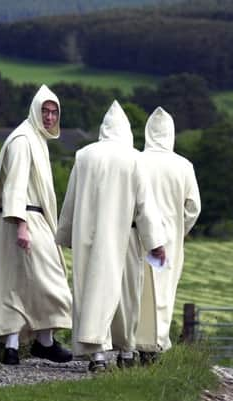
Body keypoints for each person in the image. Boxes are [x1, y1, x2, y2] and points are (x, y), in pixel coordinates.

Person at [56, 100, 166, 372]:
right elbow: (145, 205)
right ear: (127, 131)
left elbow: (71, 198)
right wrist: (155, 243)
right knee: (126, 294)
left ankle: (97, 354)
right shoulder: (134, 158)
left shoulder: (84, 156)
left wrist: (66, 234)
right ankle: (126, 349)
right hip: (125, 237)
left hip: (89, 236)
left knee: (92, 290)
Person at [0, 84, 73, 365]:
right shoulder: (22, 140)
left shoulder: (35, 140)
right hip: (23, 219)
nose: (50, 117)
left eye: (54, 112)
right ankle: (41, 342)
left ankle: (16, 347)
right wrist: (21, 225)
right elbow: (15, 186)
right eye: (45, 111)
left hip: (28, 219)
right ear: (35, 110)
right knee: (51, 281)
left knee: (18, 282)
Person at [134, 107, 201, 364]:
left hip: (138, 236)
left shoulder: (136, 160)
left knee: (138, 290)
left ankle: (134, 341)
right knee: (164, 292)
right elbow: (193, 207)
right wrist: (178, 229)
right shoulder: (183, 166)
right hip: (170, 239)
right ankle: (157, 343)